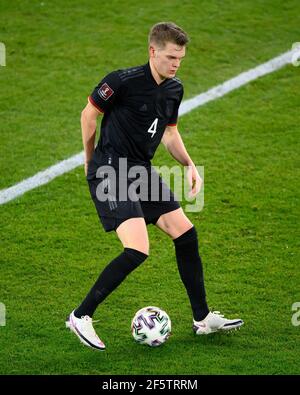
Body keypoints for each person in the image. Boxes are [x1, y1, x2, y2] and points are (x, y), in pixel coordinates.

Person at [66, 22, 243, 350]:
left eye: (181, 58)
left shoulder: (175, 89)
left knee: (186, 234)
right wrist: (90, 161)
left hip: (140, 171)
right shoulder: (122, 81)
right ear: (153, 51)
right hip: (111, 169)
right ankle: (81, 315)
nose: (176, 63)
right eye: (171, 56)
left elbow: (170, 133)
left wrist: (188, 164)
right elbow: (88, 116)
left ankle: (202, 319)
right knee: (137, 249)